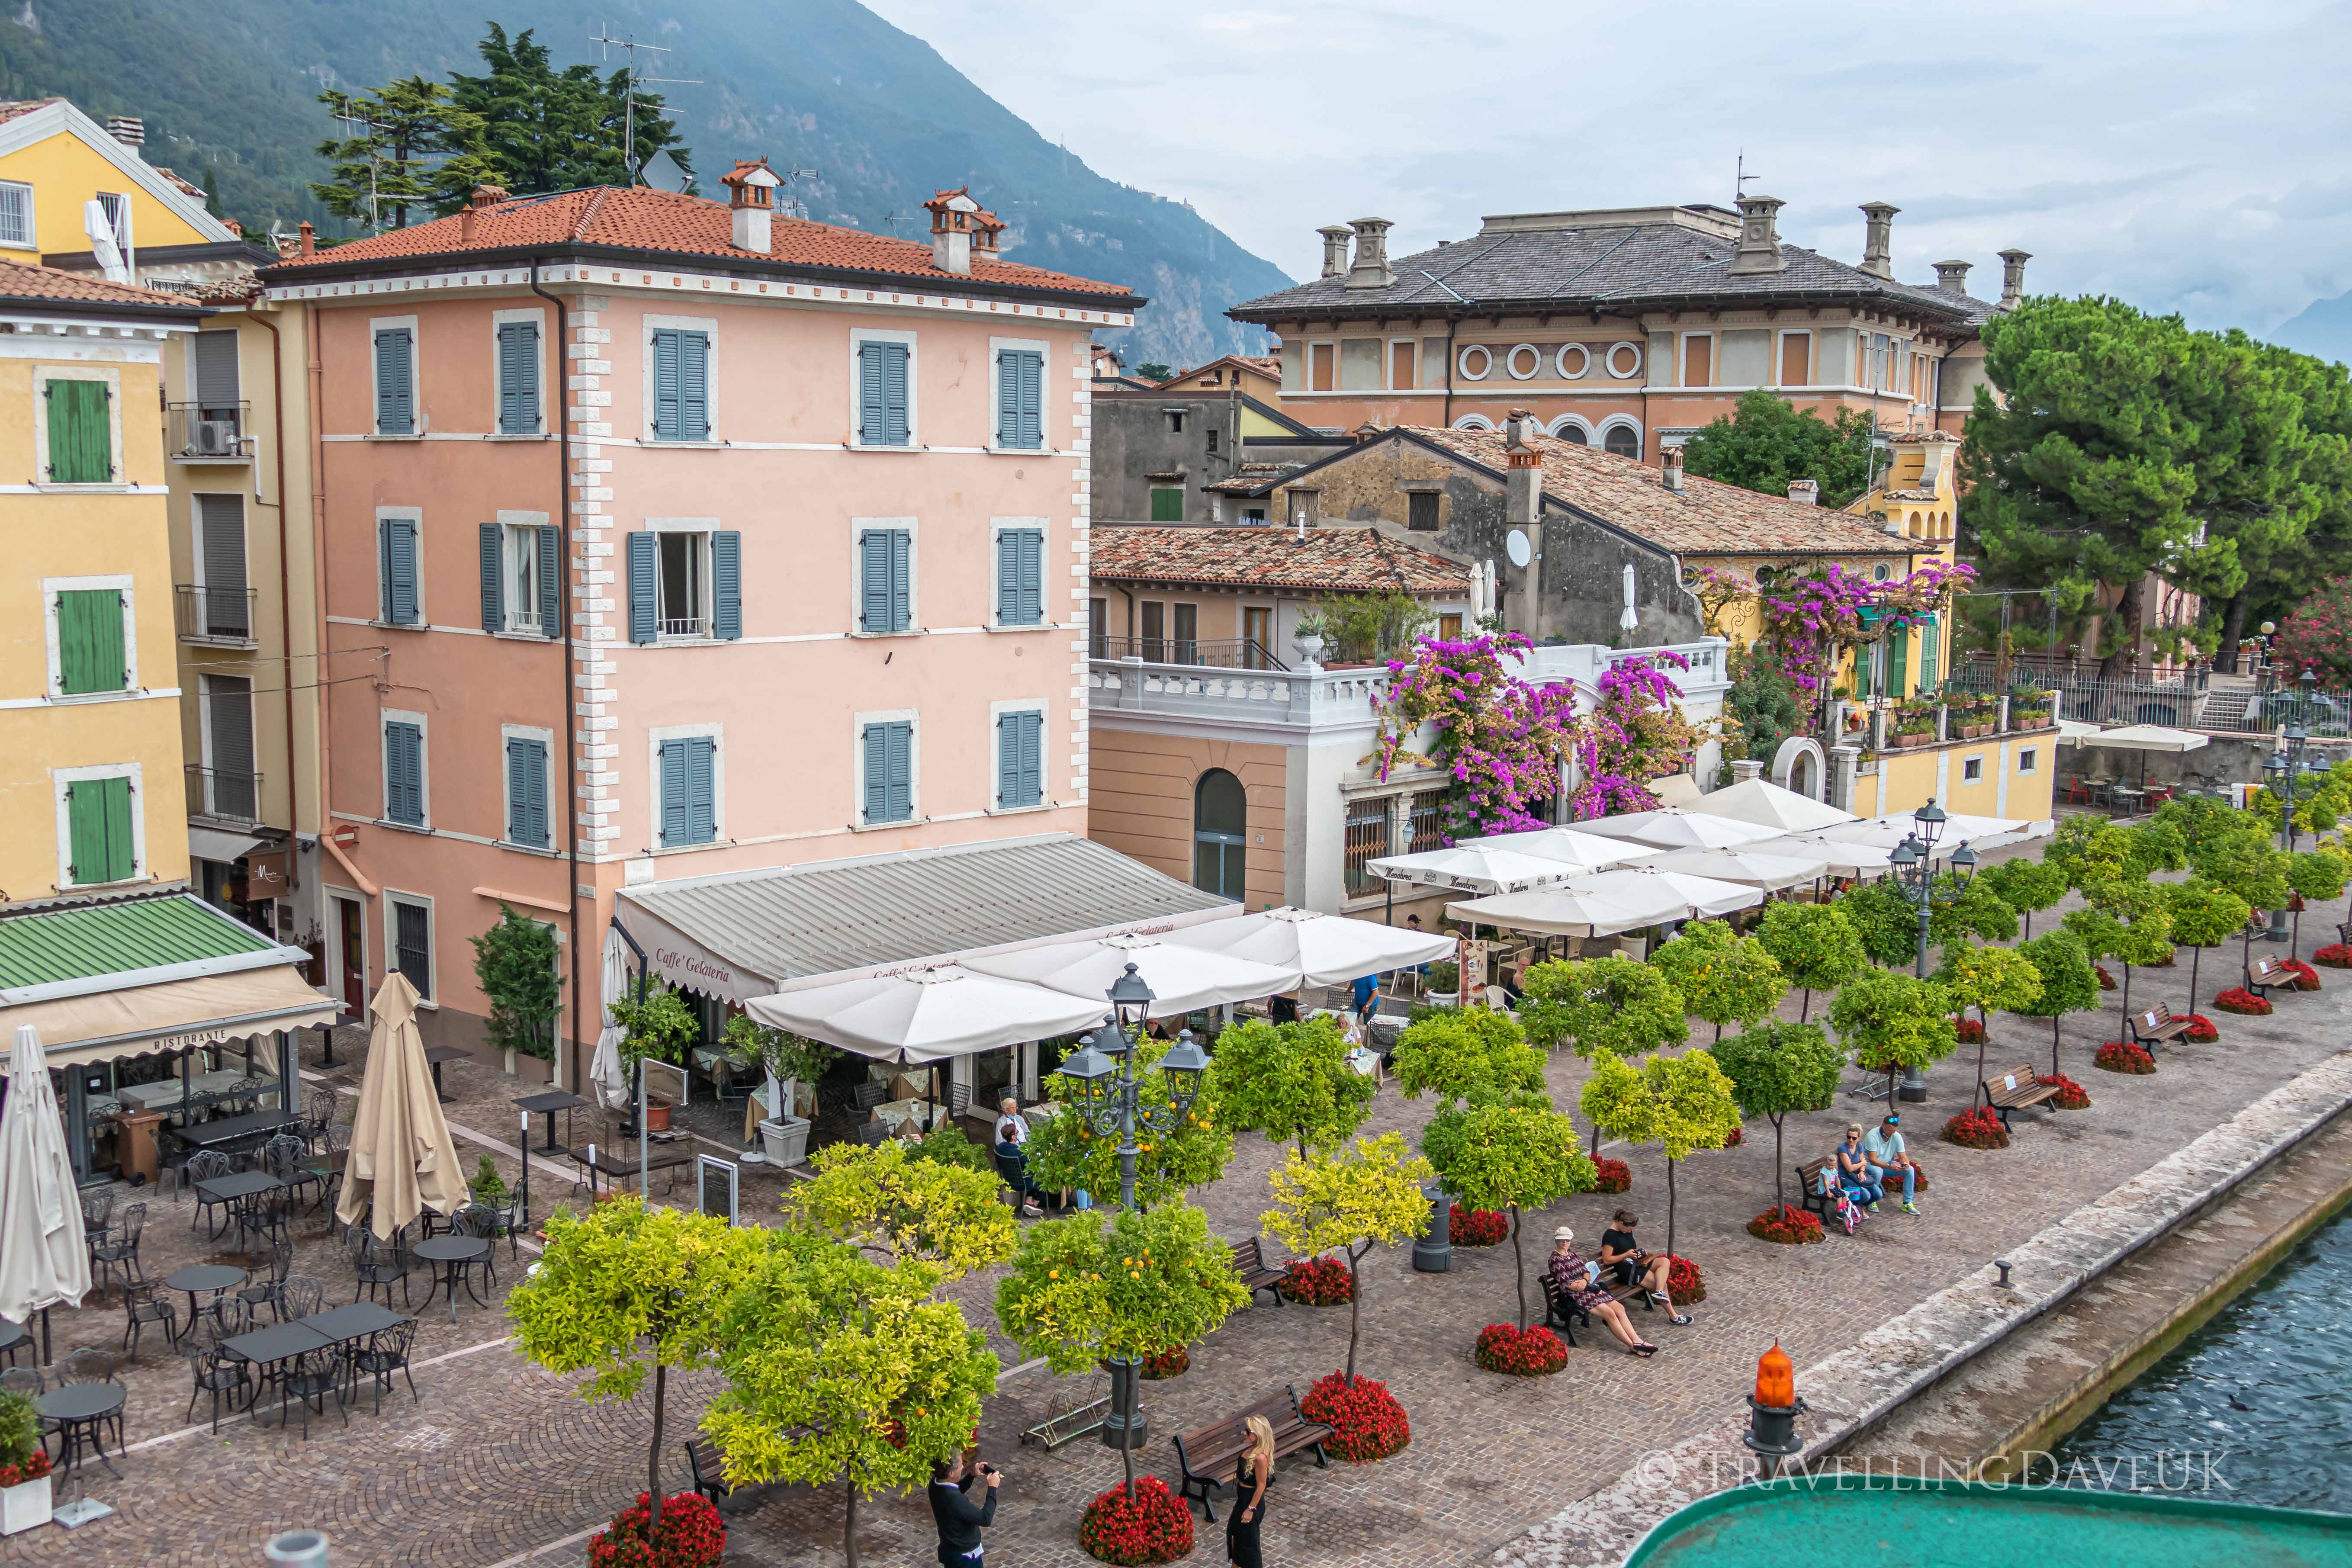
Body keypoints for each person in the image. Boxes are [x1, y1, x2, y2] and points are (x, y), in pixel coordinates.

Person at [1549, 1225, 1656, 1356]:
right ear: (1556, 1241)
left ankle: (1637, 1340)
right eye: (1562, 1240)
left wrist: (1585, 1282)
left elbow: (1586, 1272)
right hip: (1575, 1296)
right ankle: (1632, 1346)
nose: (1565, 1242)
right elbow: (1568, 1284)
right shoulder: (1555, 1260)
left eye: (1568, 1240)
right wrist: (1583, 1283)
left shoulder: (1573, 1255)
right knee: (1609, 1314)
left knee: (1620, 1308)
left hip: (1589, 1288)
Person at [1597, 1209, 1692, 1326]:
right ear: (1621, 1223)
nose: (1629, 1232)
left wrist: (1638, 1253)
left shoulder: (1626, 1231)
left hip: (1636, 1263)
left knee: (1664, 1262)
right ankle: (1674, 1316)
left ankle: (1659, 1292)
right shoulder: (1610, 1236)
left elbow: (1629, 1248)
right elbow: (1607, 1259)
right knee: (1662, 1284)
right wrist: (1626, 1255)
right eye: (1628, 1229)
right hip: (1627, 1270)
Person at [929, 1452, 1000, 1567]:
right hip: (965, 1558)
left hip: (950, 1550)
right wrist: (993, 1488)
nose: (963, 1467)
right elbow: (985, 1519)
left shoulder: (935, 1484)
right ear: (952, 1473)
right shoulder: (953, 1499)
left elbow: (956, 1489)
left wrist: (972, 1475)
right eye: (961, 1464)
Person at [1227, 1414, 1275, 1568]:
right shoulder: (1254, 1449)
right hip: (1242, 1500)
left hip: (1251, 1502)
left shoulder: (1260, 1458)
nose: (1245, 1433)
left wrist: (1250, 1509)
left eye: (1249, 1431)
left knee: (1249, 1545)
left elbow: (1261, 1485)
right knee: (1235, 1534)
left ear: (1258, 1434)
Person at [1861, 1113, 1920, 1214]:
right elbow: (1873, 1160)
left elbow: (1903, 1156)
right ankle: (1872, 1200)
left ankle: (1907, 1203)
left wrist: (1905, 1163)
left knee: (1910, 1170)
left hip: (1887, 1164)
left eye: (1894, 1131)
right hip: (1869, 1166)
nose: (1892, 1133)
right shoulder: (1872, 1135)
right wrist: (1890, 1166)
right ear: (1883, 1125)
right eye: (1890, 1130)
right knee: (1878, 1171)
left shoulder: (1896, 1136)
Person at [1834, 1123, 1883, 1212]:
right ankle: (1855, 1209)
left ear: (1859, 1139)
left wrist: (1862, 1172)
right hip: (1845, 1176)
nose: (1851, 1140)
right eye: (1849, 1137)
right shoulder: (1843, 1148)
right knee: (1866, 1195)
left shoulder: (1859, 1146)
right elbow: (1850, 1168)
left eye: (1854, 1138)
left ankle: (1858, 1207)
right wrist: (1862, 1163)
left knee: (1878, 1194)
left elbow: (1863, 1163)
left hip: (1857, 1175)